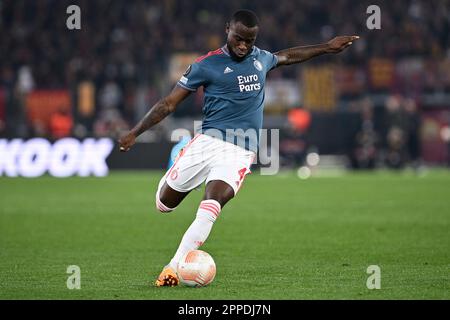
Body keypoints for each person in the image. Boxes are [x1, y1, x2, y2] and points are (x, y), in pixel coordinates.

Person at [118, 9, 359, 287]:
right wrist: (135, 132)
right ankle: (186, 173)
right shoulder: (205, 65)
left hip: (239, 152)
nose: (244, 46)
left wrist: (327, 48)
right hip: (206, 143)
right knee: (163, 204)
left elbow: (288, 56)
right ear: (227, 30)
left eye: (250, 41)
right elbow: (169, 103)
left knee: (212, 204)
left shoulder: (261, 59)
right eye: (239, 39)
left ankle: (172, 268)